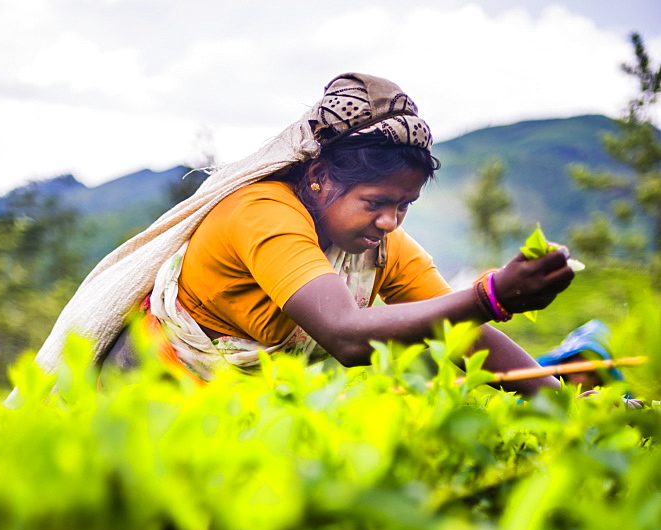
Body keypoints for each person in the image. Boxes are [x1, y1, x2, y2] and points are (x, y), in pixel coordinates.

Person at [31, 73, 574, 396]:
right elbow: (345, 333)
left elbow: (467, 333)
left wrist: (564, 403)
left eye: (404, 205)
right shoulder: (263, 213)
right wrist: (492, 296)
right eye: (376, 203)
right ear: (317, 178)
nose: (391, 221)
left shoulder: (375, 247)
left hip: (247, 402)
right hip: (152, 388)